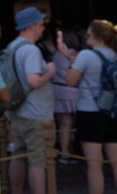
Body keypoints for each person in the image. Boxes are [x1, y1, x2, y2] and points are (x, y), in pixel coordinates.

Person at [64, 19, 117, 194]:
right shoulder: (113, 55)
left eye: (88, 33)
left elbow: (71, 81)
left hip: (90, 111)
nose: (85, 36)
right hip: (112, 111)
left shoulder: (86, 55)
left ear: (95, 36)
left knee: (94, 165)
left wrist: (71, 61)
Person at [4, 7, 56, 194]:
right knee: (37, 160)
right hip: (35, 114)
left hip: (16, 110)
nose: (43, 28)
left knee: (17, 155)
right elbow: (33, 80)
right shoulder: (31, 50)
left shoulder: (12, 46)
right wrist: (50, 71)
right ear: (31, 26)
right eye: (41, 24)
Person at [52, 29, 81, 165]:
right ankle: (66, 152)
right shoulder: (74, 55)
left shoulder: (56, 54)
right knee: (67, 125)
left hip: (57, 90)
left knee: (63, 124)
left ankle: (66, 151)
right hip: (70, 91)